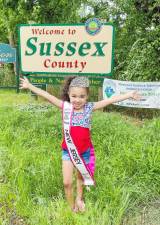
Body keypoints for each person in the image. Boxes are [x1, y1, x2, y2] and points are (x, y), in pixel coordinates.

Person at [19, 76, 140, 213]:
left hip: (84, 151)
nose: (77, 100)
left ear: (87, 96)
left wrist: (129, 95)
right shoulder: (65, 107)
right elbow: (47, 95)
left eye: (82, 96)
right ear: (69, 95)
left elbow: (110, 100)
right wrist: (30, 86)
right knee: (67, 182)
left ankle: (79, 199)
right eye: (74, 96)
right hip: (68, 152)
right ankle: (72, 208)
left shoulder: (89, 108)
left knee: (80, 178)